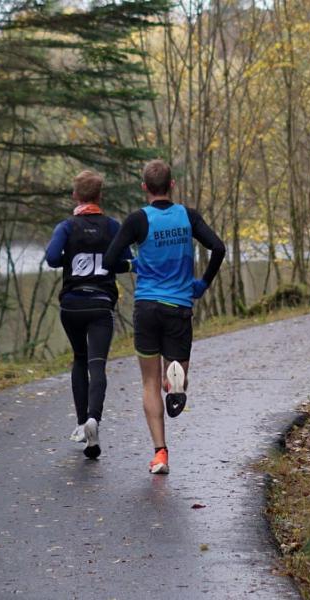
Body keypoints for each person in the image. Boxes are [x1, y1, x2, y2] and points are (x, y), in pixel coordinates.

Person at [102, 159, 225, 475]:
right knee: (175, 376)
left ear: (145, 188)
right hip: (179, 307)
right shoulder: (188, 217)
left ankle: (160, 454)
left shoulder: (138, 220)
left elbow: (110, 259)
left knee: (149, 382)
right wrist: (203, 284)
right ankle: (177, 385)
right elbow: (219, 248)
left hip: (146, 308)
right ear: (172, 185)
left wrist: (134, 266)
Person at [45, 170, 131, 459]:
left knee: (79, 360)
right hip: (100, 305)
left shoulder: (66, 227)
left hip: (71, 305)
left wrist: (73, 254)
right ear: (100, 196)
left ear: (75, 195)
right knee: (98, 364)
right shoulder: (113, 226)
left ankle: (83, 425)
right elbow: (124, 262)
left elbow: (52, 258)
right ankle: (94, 419)